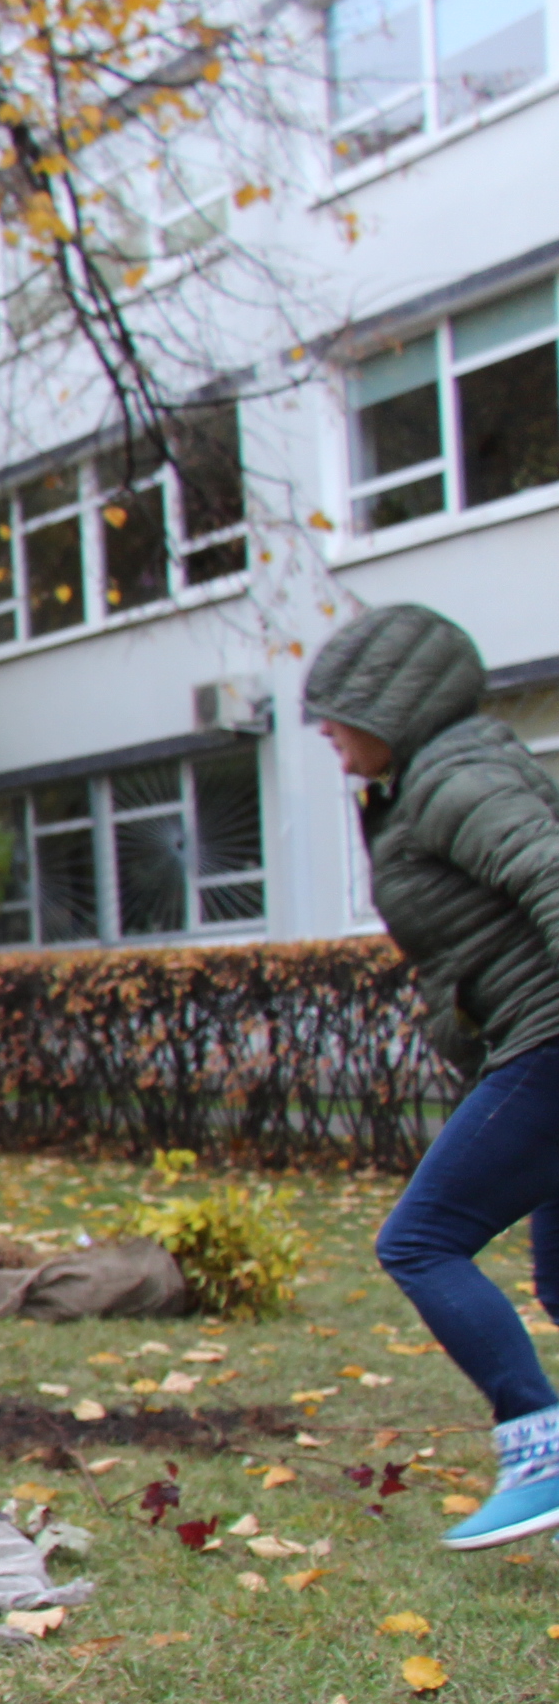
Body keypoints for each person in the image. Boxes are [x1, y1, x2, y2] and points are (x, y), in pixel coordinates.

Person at [308, 605, 559, 1551]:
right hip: (535, 1038)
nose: (327, 737)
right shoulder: (428, 781)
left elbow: (551, 872)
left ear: (390, 703)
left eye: (334, 717)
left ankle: (541, 1450)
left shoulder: (458, 778)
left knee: (420, 1241)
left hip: (553, 1040)